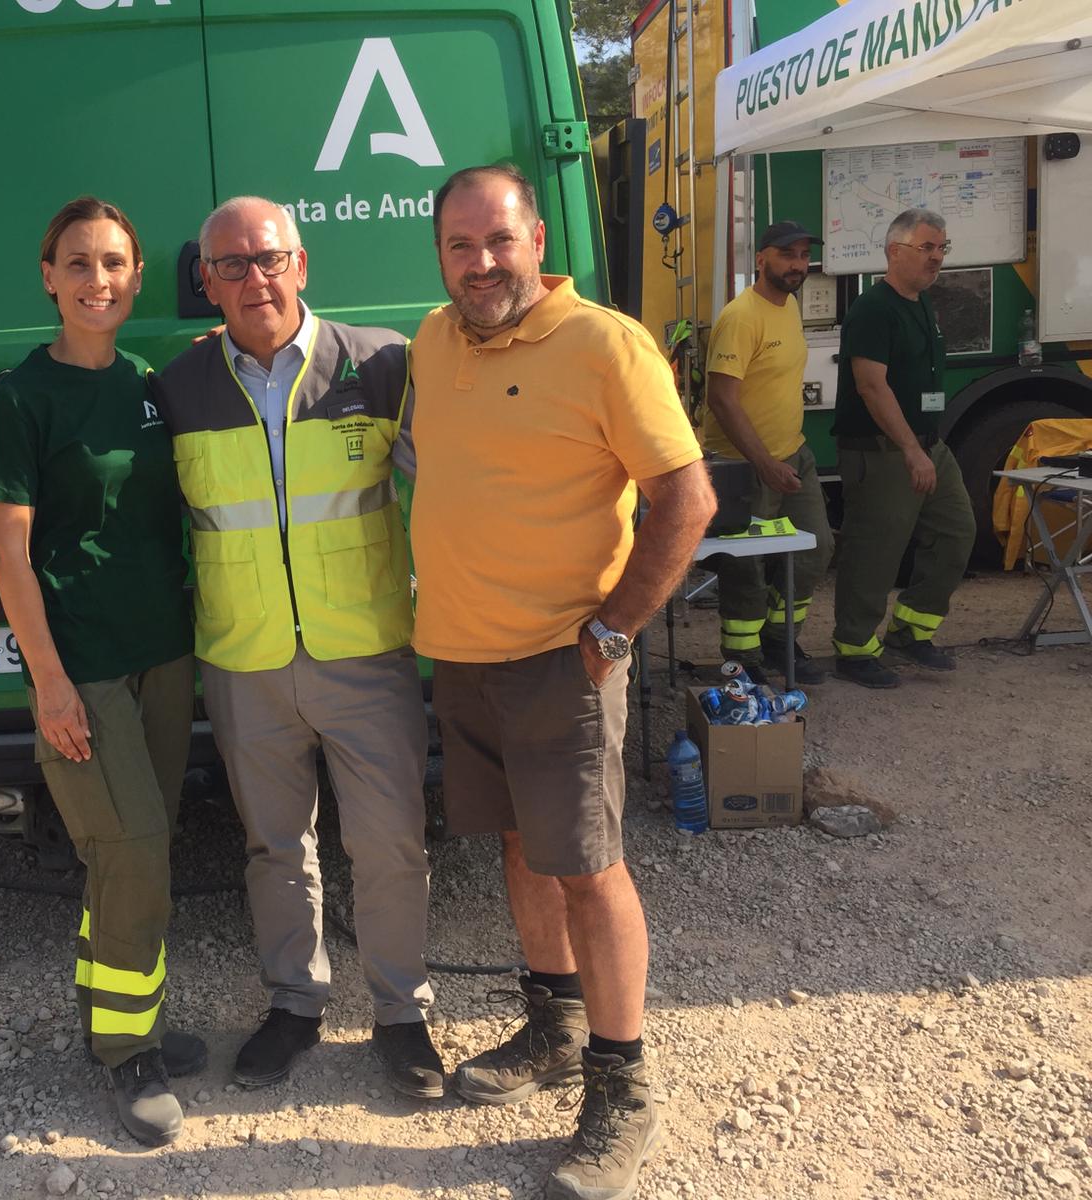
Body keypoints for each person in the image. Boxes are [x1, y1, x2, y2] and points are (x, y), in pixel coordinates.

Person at [408, 164, 715, 1200]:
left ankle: (619, 1088)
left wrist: (617, 628)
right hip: (463, 654)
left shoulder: (604, 344)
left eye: (497, 240)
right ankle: (551, 1023)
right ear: (440, 257)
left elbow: (686, 496)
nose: (480, 262)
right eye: (459, 246)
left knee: (588, 868)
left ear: (536, 237)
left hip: (560, 660)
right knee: (521, 847)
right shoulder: (432, 340)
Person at [154, 196, 441, 1099]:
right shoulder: (178, 389)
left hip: (365, 653)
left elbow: (451, 492)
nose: (255, 279)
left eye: (269, 258)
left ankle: (402, 1015)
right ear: (207, 283)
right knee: (275, 847)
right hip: (245, 663)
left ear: (302, 264)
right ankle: (294, 1005)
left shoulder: (382, 362)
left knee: (390, 842)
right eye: (231, 265)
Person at [0, 197, 204, 1148]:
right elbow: (8, 554)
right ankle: (125, 1055)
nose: (96, 279)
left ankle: (120, 1017)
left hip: (163, 655)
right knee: (136, 853)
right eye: (77, 262)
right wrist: (50, 682)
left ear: (138, 276)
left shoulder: (151, 384)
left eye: (113, 262)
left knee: (127, 855)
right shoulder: (23, 397)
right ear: (47, 276)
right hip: (86, 670)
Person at [831, 207, 975, 688]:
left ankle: (911, 630)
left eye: (941, 248)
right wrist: (912, 451)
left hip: (927, 445)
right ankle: (854, 649)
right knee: (875, 551)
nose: (937, 258)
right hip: (883, 451)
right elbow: (872, 387)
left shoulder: (921, 303)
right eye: (927, 247)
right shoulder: (874, 309)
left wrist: (925, 448)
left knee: (957, 531)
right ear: (895, 251)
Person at [702, 220, 834, 685]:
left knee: (817, 546)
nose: (797, 265)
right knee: (746, 567)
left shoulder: (790, 306)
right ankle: (743, 661)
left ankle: (780, 639)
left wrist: (783, 458)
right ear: (761, 259)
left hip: (793, 454)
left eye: (802, 255)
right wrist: (764, 464)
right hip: (744, 465)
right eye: (787, 255)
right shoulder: (741, 317)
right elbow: (721, 398)